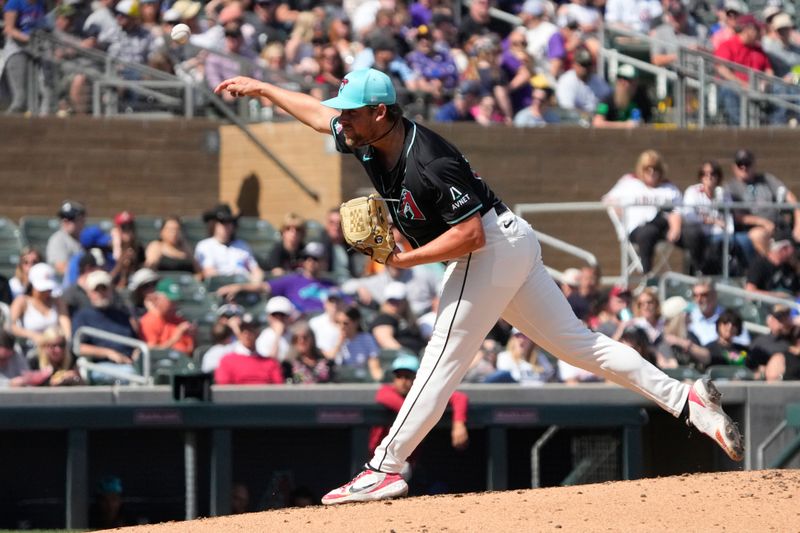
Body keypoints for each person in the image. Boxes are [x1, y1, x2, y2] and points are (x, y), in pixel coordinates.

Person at [214, 67, 744, 505]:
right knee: (583, 347)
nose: (342, 120)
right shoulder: (370, 138)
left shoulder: (428, 159)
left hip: (489, 245)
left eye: (351, 111)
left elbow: (467, 235)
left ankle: (386, 466)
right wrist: (261, 88)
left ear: (380, 112)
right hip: (508, 244)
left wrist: (407, 259)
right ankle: (689, 399)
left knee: (441, 356)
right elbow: (318, 114)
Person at [367, 354, 468, 470]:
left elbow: (459, 397)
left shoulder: (422, 393)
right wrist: (423, 410)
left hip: (406, 460)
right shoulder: (386, 391)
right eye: (399, 376)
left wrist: (459, 424)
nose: (403, 381)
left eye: (408, 376)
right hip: (376, 458)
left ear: (417, 378)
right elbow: (384, 396)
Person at [603, 150, 684, 274]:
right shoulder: (629, 182)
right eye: (647, 169)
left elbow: (678, 210)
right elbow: (608, 199)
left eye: (655, 169)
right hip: (638, 230)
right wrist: (620, 213)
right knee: (648, 232)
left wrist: (676, 228)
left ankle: (700, 277)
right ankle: (647, 276)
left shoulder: (669, 188)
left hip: (665, 229)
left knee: (692, 233)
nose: (651, 172)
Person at [71, 270, 139, 382]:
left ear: (111, 290)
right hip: (100, 365)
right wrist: (109, 353)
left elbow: (135, 343)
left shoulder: (123, 315)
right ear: (88, 293)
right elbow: (78, 347)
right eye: (97, 290)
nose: (101, 293)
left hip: (130, 363)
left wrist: (137, 354)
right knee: (130, 374)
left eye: (104, 289)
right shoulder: (82, 316)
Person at [681, 161, 734, 275]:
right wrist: (712, 220)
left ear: (718, 176)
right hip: (699, 236)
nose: (709, 177)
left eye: (713, 173)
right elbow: (689, 216)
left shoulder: (724, 194)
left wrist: (727, 230)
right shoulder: (693, 192)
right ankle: (698, 271)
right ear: (700, 176)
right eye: (705, 174)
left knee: (735, 242)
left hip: (719, 234)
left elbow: (728, 219)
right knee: (694, 236)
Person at [9, 262, 71, 351]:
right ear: (32, 285)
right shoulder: (22, 301)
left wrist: (65, 343)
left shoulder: (58, 301)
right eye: (42, 290)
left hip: (56, 351)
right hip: (29, 351)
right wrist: (33, 335)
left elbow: (66, 326)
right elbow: (10, 326)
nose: (46, 292)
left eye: (48, 289)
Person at [214, 313, 285, 385]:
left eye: (251, 329)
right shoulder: (227, 361)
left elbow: (278, 390)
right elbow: (223, 392)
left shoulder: (270, 363)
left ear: (257, 333)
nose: (246, 333)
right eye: (243, 329)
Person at [139, 278, 196, 356]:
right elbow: (151, 353)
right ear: (157, 298)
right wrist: (175, 337)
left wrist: (193, 336)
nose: (174, 305)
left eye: (176, 301)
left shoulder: (180, 320)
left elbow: (189, 351)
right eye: (171, 301)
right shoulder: (149, 321)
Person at [328, 305, 382, 381]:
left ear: (355, 322)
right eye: (338, 323)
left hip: (361, 379)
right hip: (338, 380)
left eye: (345, 323)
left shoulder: (367, 339)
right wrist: (339, 342)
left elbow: (374, 363)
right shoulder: (333, 336)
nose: (341, 327)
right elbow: (329, 359)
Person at [592, 64, 651, 128]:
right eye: (629, 80)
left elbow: (646, 121)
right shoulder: (606, 100)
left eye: (634, 81)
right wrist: (624, 125)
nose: (634, 85)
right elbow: (597, 123)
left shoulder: (641, 100)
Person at [490, 328, 556, 384]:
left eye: (525, 336)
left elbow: (550, 379)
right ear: (512, 339)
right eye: (518, 335)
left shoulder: (540, 357)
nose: (521, 339)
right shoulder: (504, 357)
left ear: (532, 341)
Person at [46, 200, 86, 275]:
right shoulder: (58, 239)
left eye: (71, 218)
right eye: (63, 217)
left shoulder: (87, 239)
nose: (65, 220)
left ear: (82, 220)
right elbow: (61, 268)